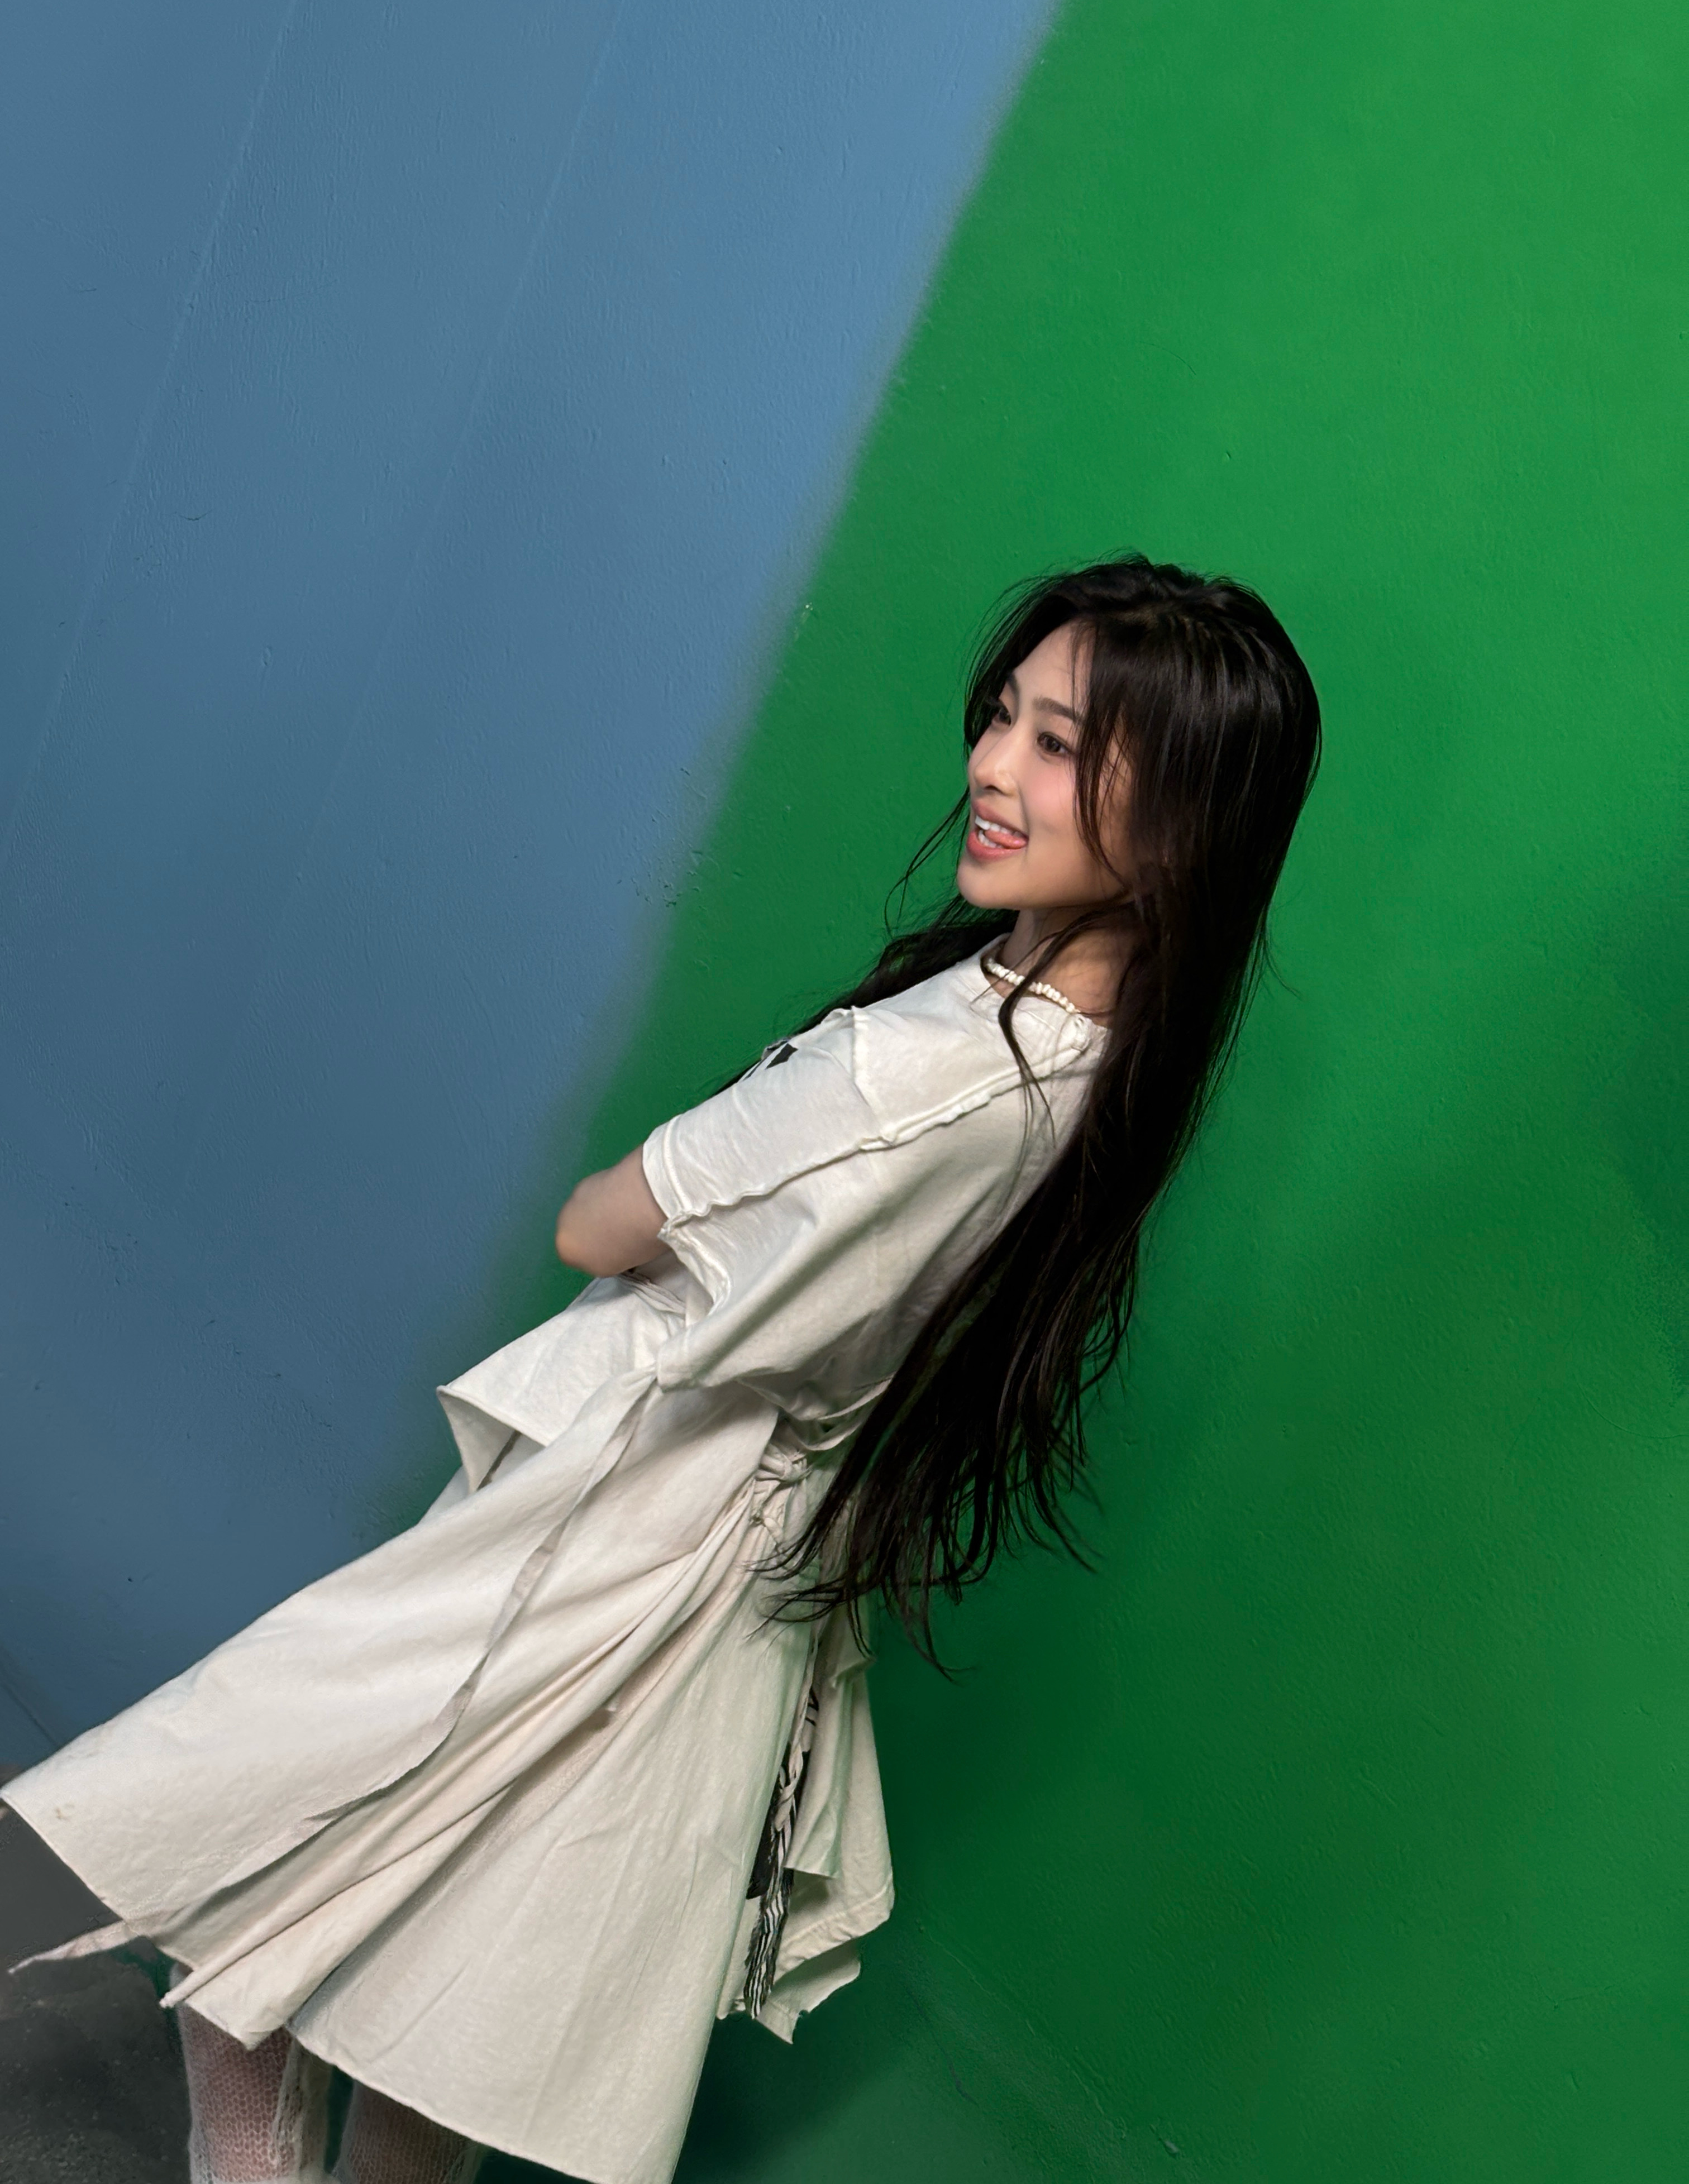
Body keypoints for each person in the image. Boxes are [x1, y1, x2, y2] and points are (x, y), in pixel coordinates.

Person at [1, 557, 1320, 2184]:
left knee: (267, 1890)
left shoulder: (923, 1074)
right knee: (435, 2027)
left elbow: (599, 1220)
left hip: (621, 1545)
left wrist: (674, 1224)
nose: (992, 765)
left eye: (1060, 745)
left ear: (1181, 823)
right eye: (1002, 716)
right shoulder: (1090, 1074)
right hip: (722, 1566)